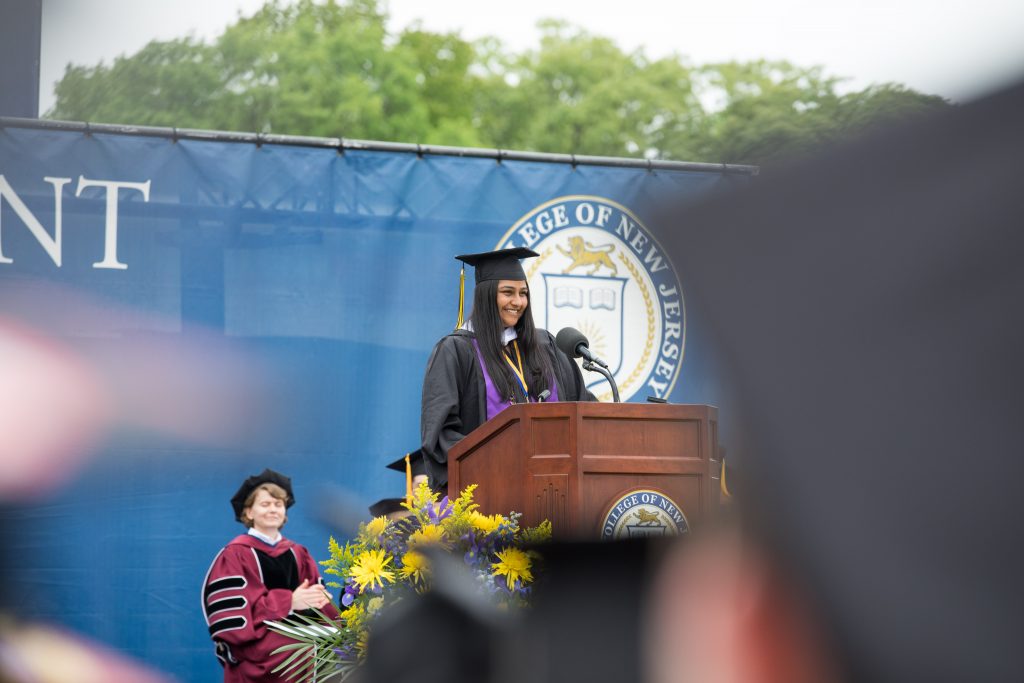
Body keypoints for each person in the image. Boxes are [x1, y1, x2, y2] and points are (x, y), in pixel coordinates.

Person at [420, 248, 595, 490]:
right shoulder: (456, 351)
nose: (518, 302)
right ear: (486, 296)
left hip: (555, 491)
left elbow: (583, 408)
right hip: (491, 494)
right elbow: (442, 436)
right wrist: (499, 466)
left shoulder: (545, 347)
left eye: (523, 293)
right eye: (507, 292)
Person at [201, 469, 339, 682]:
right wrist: (289, 602)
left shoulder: (298, 553)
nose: (273, 510)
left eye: (278, 504)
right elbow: (234, 618)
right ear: (248, 513)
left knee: (340, 646)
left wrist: (321, 601)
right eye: (265, 504)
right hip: (257, 646)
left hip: (300, 637)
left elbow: (317, 600)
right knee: (301, 650)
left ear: (285, 512)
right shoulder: (235, 554)